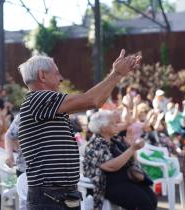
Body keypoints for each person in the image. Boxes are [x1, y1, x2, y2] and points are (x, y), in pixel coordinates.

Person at [17, 49, 141, 210]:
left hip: (60, 195)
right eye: (57, 73)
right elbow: (92, 100)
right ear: (42, 76)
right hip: (50, 197)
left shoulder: (46, 104)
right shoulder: (38, 98)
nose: (61, 79)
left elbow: (97, 100)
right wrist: (116, 74)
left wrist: (117, 75)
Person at [83, 110, 157, 210]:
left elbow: (132, 161)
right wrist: (132, 149)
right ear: (103, 128)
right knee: (143, 203)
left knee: (152, 198)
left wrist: (131, 146)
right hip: (107, 185)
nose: (116, 125)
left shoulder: (113, 141)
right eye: (112, 123)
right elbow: (110, 166)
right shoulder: (96, 144)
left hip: (123, 180)